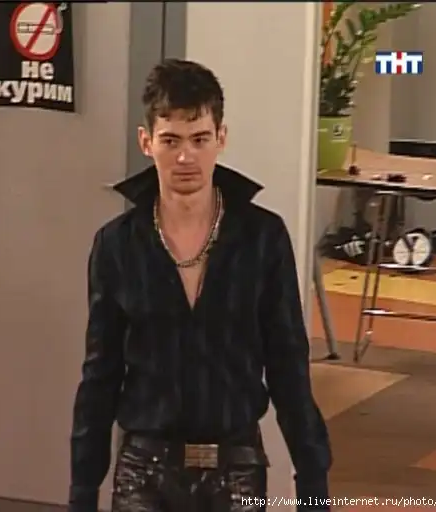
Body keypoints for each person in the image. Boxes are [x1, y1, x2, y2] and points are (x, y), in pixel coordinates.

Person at [68, 58, 332, 512]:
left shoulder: (262, 238)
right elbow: (101, 374)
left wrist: (313, 481)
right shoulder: (117, 245)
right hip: (144, 466)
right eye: (171, 140)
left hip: (235, 463)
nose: (185, 157)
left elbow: (288, 366)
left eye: (199, 139)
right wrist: (82, 490)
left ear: (220, 139)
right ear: (146, 142)